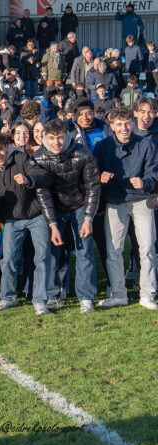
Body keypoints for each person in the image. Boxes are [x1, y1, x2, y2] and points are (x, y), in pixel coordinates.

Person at [0, 133, 53, 315]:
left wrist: (28, 180)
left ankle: (40, 300)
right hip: (11, 219)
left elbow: (44, 176)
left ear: (6, 147)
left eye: (1, 149)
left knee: (41, 257)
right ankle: (8, 297)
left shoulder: (20, 157)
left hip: (35, 215)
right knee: (8, 259)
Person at [33, 120, 100, 314]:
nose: (56, 142)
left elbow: (92, 187)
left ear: (68, 136)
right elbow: (42, 194)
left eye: (60, 137)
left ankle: (86, 297)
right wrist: (52, 224)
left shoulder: (84, 153)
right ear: (45, 138)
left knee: (84, 250)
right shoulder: (39, 158)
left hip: (80, 204)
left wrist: (88, 217)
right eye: (52, 138)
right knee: (53, 251)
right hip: (56, 208)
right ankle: (54, 294)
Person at [94, 107, 158, 310]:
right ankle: (118, 293)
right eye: (119, 124)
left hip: (141, 201)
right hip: (114, 201)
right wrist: (100, 177)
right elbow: (93, 172)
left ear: (133, 122)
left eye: (127, 123)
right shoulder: (103, 146)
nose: (124, 128)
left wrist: (145, 182)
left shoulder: (146, 144)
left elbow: (154, 173)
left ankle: (147, 294)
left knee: (147, 248)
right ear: (111, 126)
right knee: (113, 250)